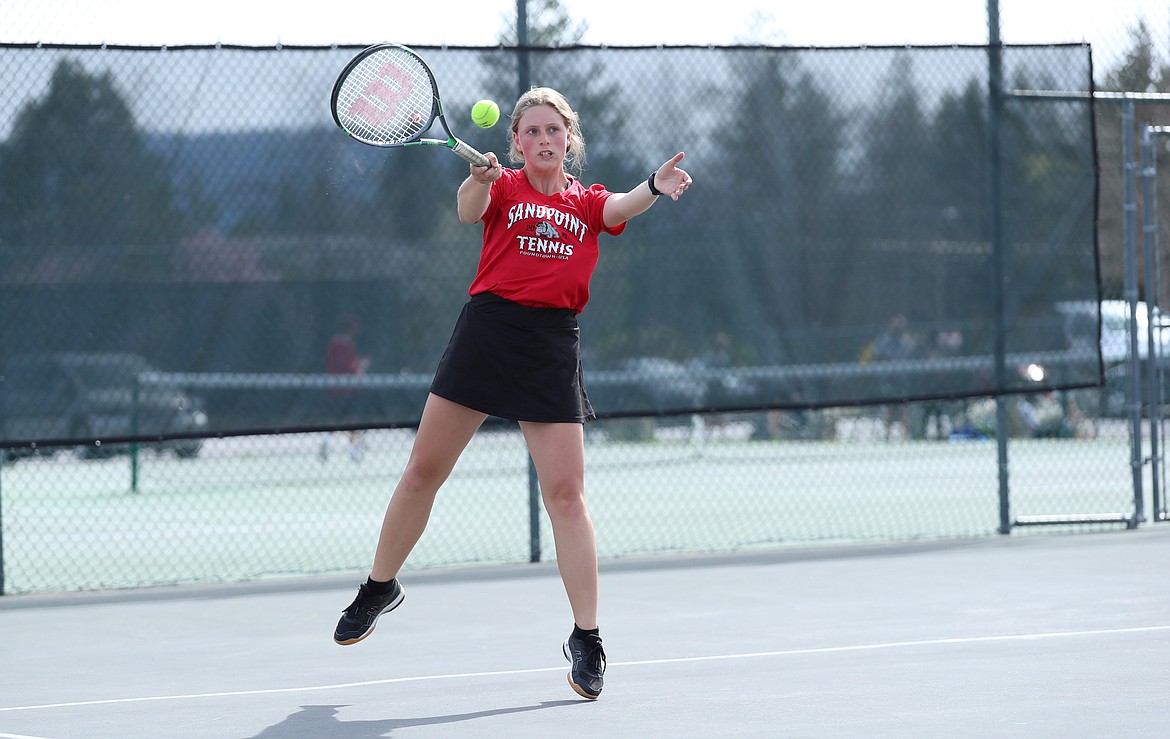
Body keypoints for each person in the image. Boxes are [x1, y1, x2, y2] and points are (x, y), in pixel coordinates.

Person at [332, 86, 693, 701]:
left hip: (550, 347)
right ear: (516, 142)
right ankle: (378, 586)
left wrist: (654, 187)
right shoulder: (500, 186)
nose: (543, 140)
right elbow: (468, 209)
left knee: (567, 496)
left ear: (568, 140)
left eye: (554, 130)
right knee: (422, 472)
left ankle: (587, 638)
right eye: (531, 131)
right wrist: (478, 179)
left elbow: (623, 207)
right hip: (487, 334)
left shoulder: (586, 202)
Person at [320, 314, 371, 462]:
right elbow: (349, 365)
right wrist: (360, 368)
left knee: (336, 419)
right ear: (350, 330)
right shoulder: (346, 343)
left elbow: (333, 364)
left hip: (335, 388)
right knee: (351, 420)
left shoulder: (333, 343)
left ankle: (327, 443)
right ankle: (354, 452)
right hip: (346, 389)